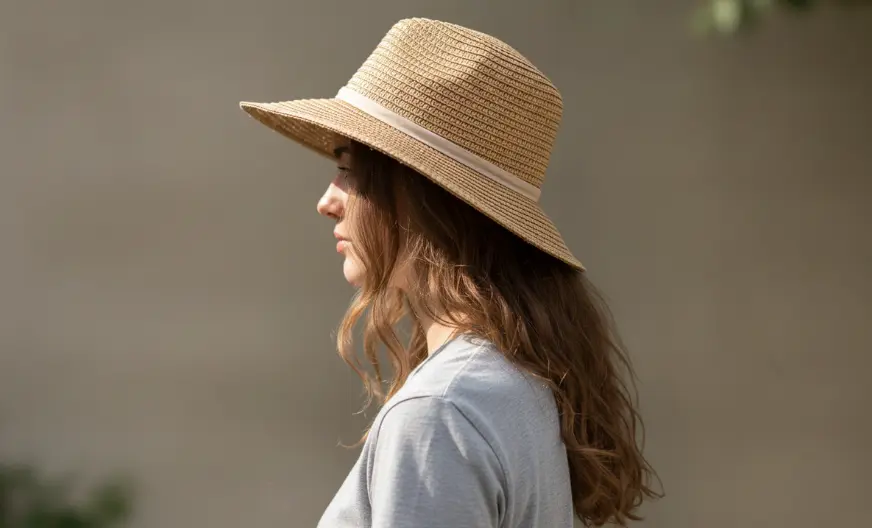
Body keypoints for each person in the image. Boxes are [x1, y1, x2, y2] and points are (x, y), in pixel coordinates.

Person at [240, 17, 659, 528]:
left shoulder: (440, 411)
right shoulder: (515, 383)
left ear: (422, 196)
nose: (327, 201)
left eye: (349, 169)